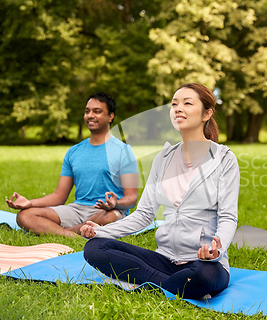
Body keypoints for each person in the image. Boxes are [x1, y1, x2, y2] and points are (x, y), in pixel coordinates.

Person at [81, 83, 240, 299]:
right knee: (94, 248)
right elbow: (145, 214)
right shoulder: (163, 158)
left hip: (203, 262)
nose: (177, 108)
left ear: (207, 113)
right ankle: (171, 284)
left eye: (187, 103)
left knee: (203, 277)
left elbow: (228, 216)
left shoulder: (224, 159)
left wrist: (216, 251)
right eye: (174, 104)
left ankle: (156, 282)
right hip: (163, 258)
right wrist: (100, 231)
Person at [6, 92, 139, 237]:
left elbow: (131, 198)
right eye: (87, 111)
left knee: (110, 218)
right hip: (77, 209)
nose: (90, 115)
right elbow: (59, 196)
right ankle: (74, 235)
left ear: (110, 116)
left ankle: (60, 232)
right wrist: (29, 203)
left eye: (97, 111)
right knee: (24, 216)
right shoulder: (74, 152)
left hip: (108, 212)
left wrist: (115, 204)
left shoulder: (123, 151)